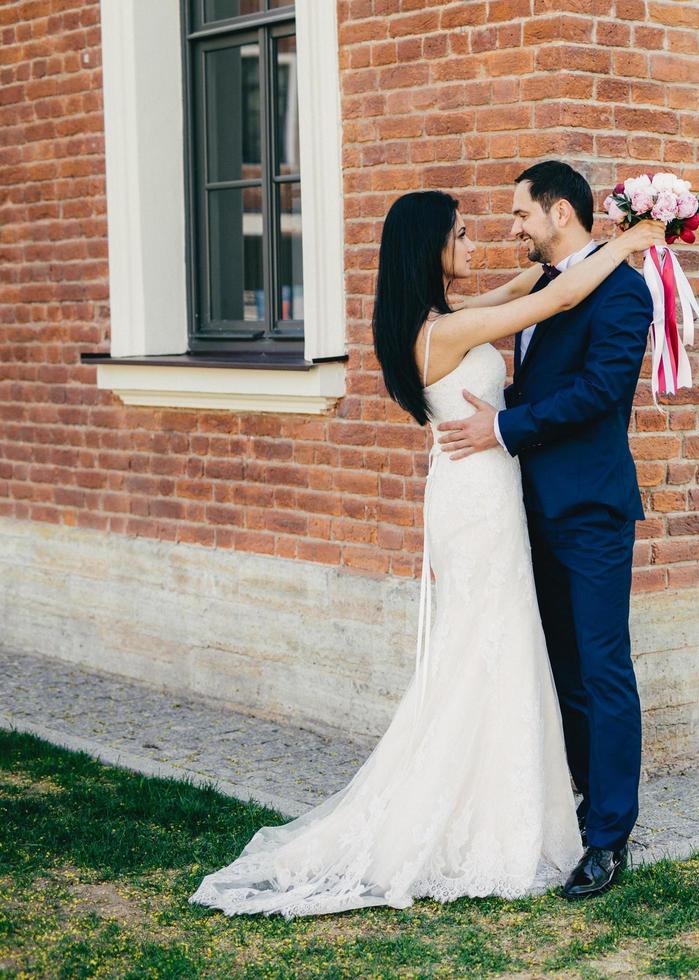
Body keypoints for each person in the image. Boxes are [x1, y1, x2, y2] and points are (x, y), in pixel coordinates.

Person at [187, 188, 664, 918]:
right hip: (477, 504)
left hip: (488, 499)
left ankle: (540, 801)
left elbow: (531, 285)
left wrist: (605, 253)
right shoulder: (441, 333)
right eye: (464, 234)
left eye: (499, 223)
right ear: (432, 247)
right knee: (487, 648)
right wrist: (630, 243)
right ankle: (484, 805)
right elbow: (558, 298)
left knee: (507, 649)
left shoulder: (442, 319)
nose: (482, 242)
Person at [434, 161, 656, 900]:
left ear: (560, 213)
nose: (513, 228)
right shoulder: (543, 287)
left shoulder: (623, 289)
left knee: (602, 668)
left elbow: (599, 395)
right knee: (563, 672)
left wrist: (503, 427)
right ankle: (587, 802)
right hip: (528, 509)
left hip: (590, 510)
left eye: (522, 214)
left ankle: (611, 839)